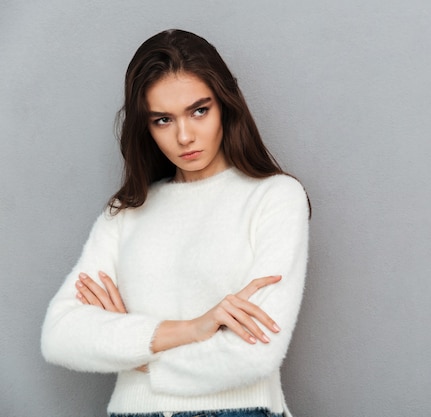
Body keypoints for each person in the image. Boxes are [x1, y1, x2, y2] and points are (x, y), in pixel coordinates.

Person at [41, 29, 309, 417]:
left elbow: (254, 355)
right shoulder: (126, 212)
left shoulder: (274, 197)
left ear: (226, 106)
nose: (185, 136)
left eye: (200, 110)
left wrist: (133, 351)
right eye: (163, 120)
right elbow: (60, 336)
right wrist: (194, 328)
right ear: (145, 128)